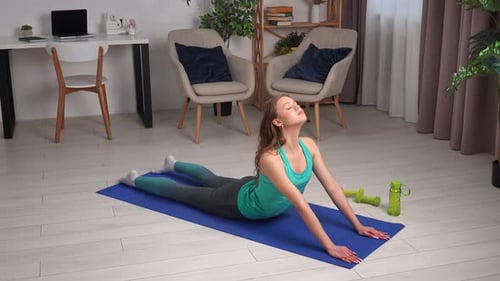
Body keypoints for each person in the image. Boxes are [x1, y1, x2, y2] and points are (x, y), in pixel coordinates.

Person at [120, 95, 389, 264]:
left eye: (294, 103)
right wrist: (329, 246)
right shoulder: (270, 158)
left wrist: (357, 224)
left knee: (212, 178)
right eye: (288, 106)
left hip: (254, 188)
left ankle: (173, 164)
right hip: (239, 204)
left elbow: (331, 186)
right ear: (277, 122)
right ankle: (135, 181)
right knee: (186, 195)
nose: (296, 105)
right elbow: (301, 205)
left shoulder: (309, 145)